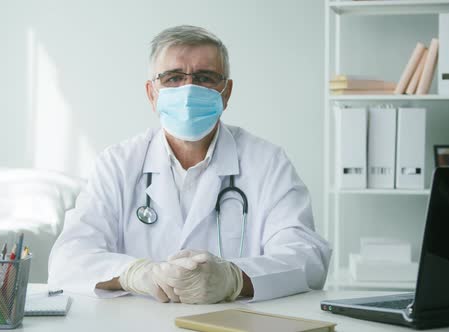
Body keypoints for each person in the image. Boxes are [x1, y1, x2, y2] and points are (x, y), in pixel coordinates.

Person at [48, 25, 331, 304]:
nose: (188, 90)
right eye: (172, 78)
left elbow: (307, 256)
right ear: (151, 93)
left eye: (205, 77)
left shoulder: (267, 162)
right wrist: (135, 273)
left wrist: (234, 278)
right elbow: (68, 258)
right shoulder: (118, 164)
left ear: (226, 92)